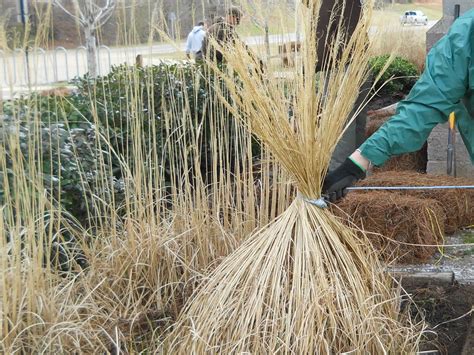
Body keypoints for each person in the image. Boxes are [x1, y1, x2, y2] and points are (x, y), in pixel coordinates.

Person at [323, 8, 474, 202]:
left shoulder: (466, 33)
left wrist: (357, 162)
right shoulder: (467, 35)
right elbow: (423, 107)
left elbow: (423, 106)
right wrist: (357, 163)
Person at [304, 0, 368, 171]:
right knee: (358, 125)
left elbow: (320, 38)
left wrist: (308, 69)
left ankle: (340, 183)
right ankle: (360, 176)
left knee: (340, 130)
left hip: (339, 69)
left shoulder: (324, 4)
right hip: (360, 63)